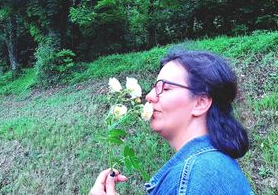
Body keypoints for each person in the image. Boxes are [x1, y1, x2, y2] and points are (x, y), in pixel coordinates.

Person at [90, 50, 253, 195]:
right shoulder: (214, 166)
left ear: (200, 103)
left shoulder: (193, 176)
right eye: (155, 88)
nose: (149, 96)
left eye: (165, 88)